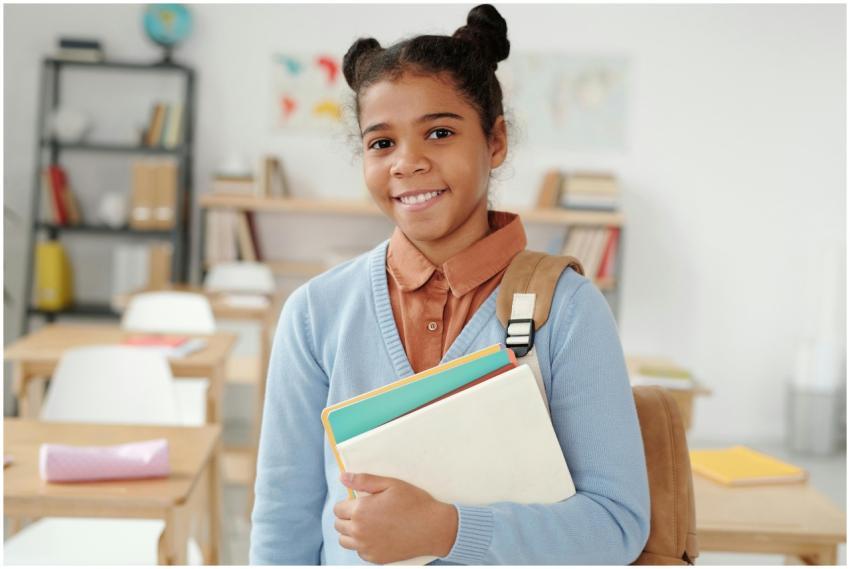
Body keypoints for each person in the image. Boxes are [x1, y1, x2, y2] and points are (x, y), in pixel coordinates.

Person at [250, 4, 650, 565]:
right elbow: (282, 523)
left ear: (495, 143)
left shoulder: (569, 310)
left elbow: (616, 525)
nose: (407, 162)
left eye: (439, 132)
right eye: (381, 143)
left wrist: (448, 530)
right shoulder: (315, 313)